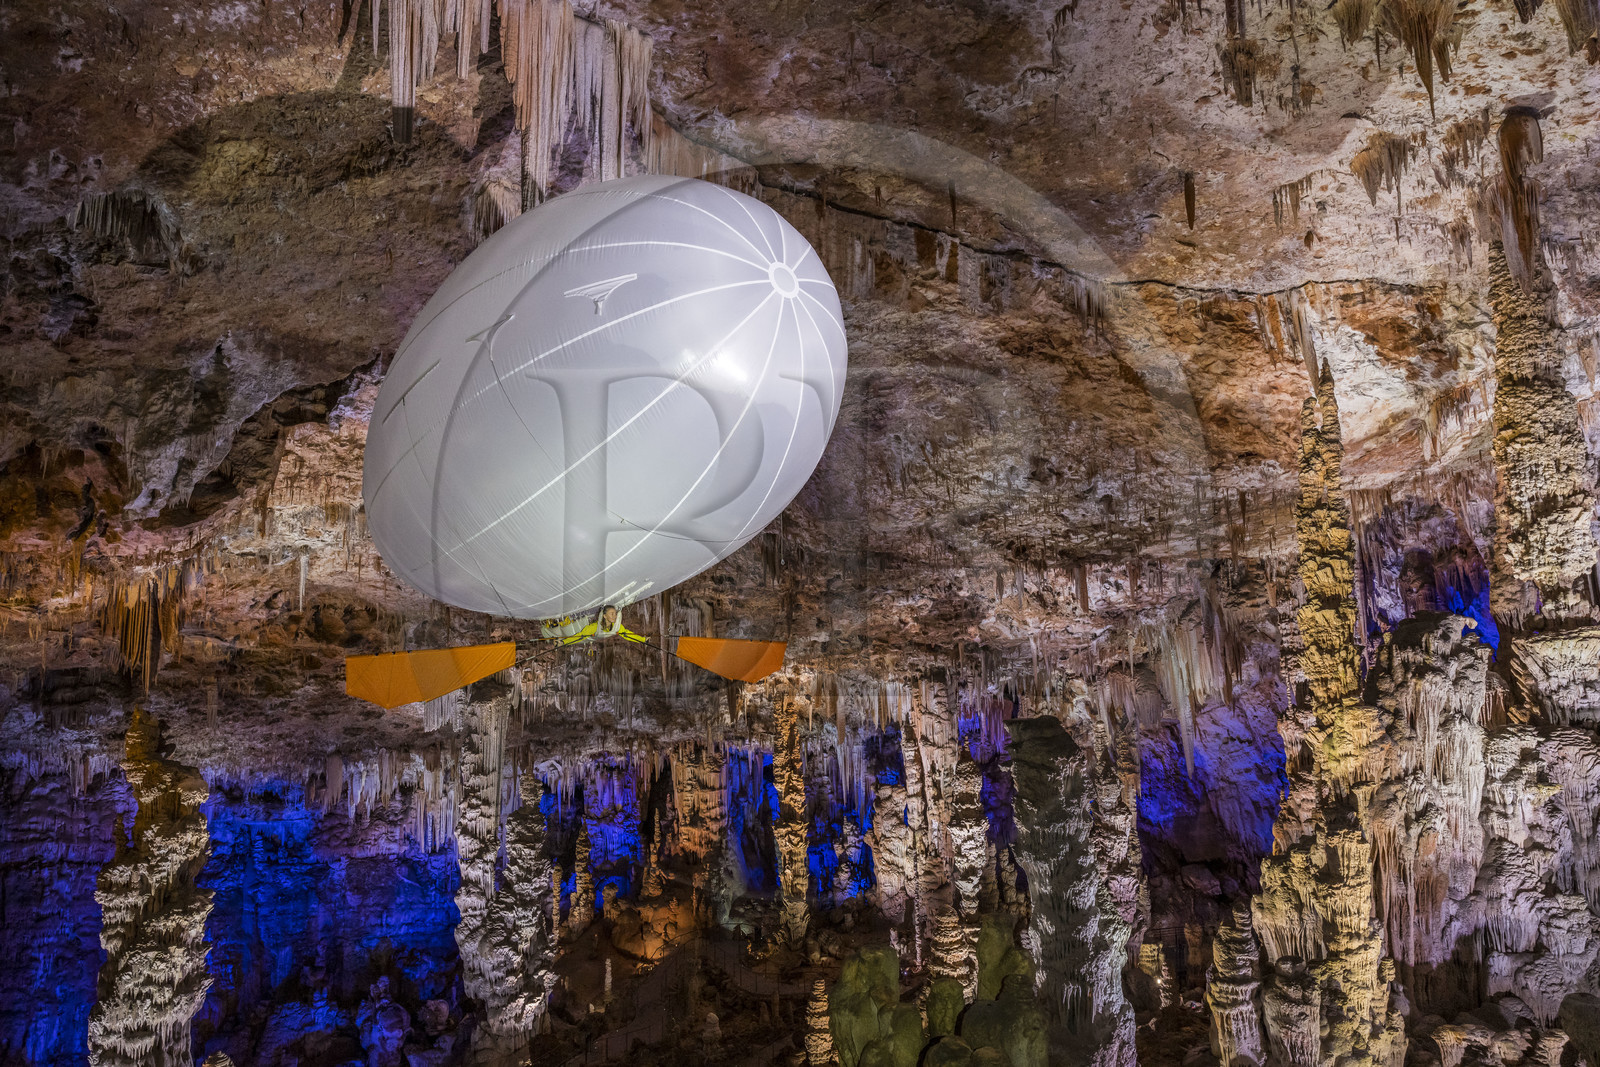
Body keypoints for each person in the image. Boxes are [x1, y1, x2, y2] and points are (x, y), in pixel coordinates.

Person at [539, 605, 649, 646]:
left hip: (596, 637)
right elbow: (578, 636)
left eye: (615, 614)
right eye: (612, 614)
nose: (614, 616)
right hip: (589, 635)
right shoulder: (593, 627)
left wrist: (643, 640)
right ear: (605, 616)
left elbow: (628, 635)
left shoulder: (617, 627)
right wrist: (563, 642)